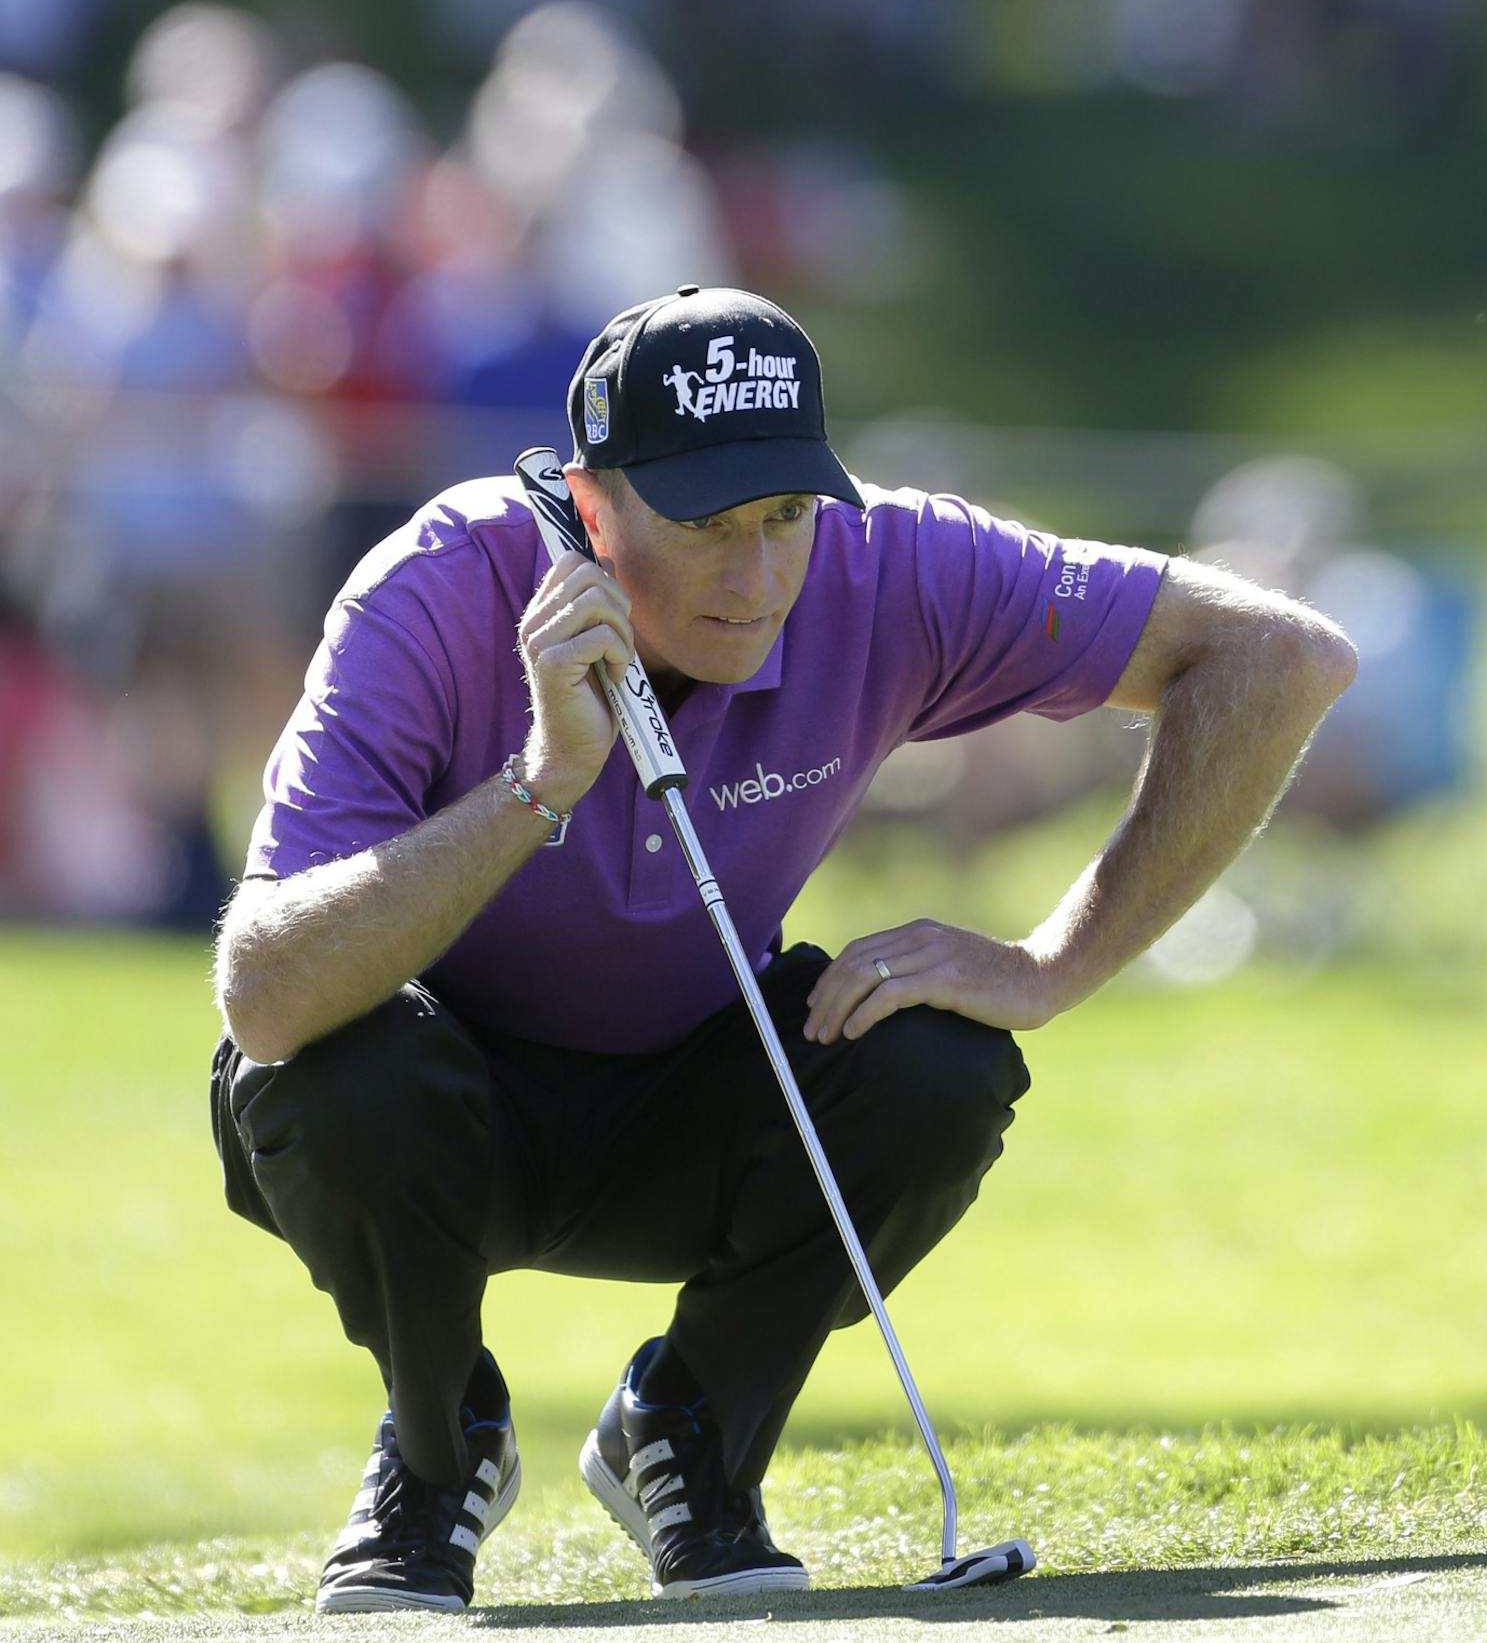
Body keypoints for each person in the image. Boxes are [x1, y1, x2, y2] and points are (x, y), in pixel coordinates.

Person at [206, 285, 1356, 1614]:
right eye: (704, 526)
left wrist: (1051, 968)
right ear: (594, 508)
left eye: (786, 519)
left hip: (700, 1100)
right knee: (341, 1067)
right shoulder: (437, 587)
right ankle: (436, 1443)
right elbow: (265, 996)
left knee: (936, 1062)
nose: (755, 581)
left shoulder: (889, 563)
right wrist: (540, 781)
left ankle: (690, 1437)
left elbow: (1280, 659)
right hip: (433, 1115)